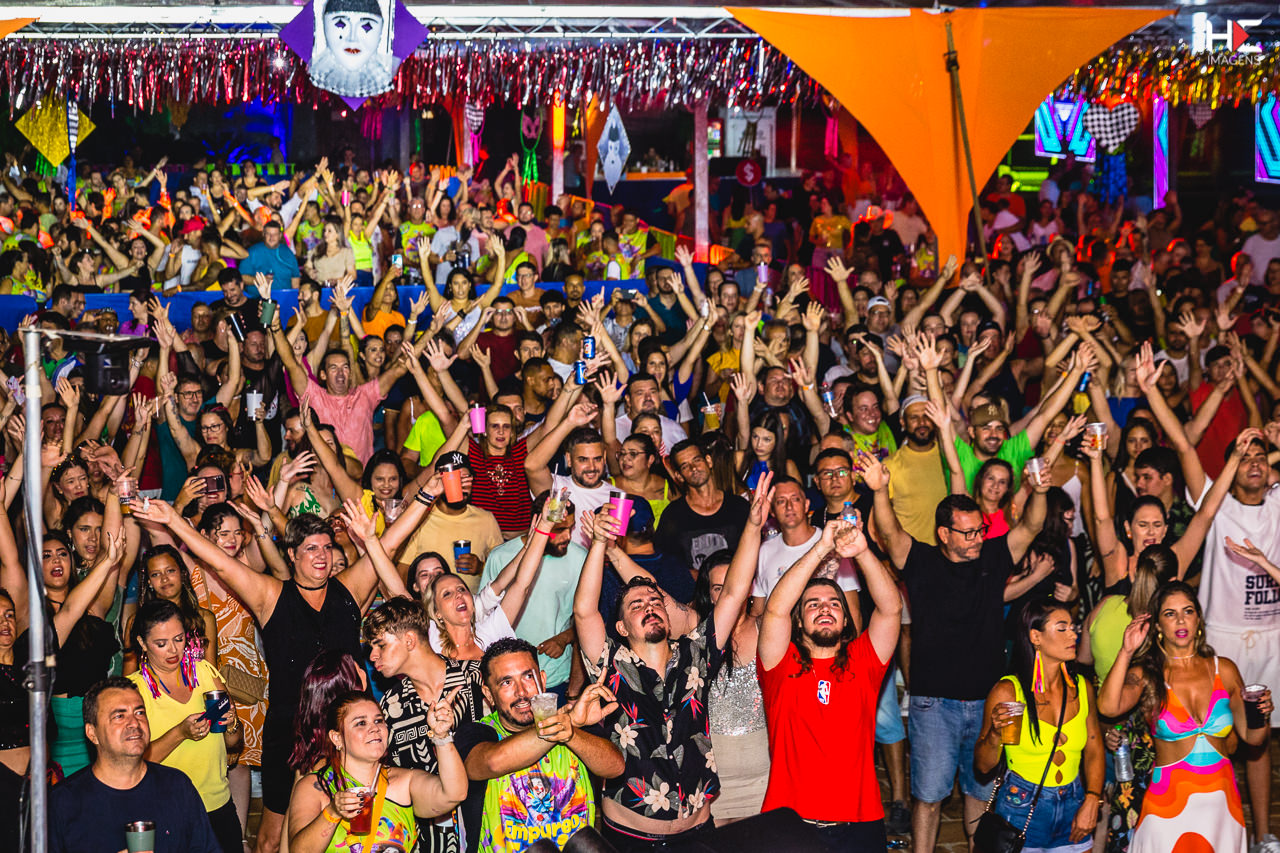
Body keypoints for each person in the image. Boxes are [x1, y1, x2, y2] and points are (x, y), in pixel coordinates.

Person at [864, 449, 1055, 853]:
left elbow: (1032, 525)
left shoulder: (994, 555)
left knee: (979, 794)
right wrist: (880, 491)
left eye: (980, 530)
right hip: (935, 703)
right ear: (944, 534)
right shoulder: (921, 561)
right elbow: (890, 532)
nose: (977, 539)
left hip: (987, 700)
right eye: (968, 533)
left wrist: (1039, 491)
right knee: (929, 796)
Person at [571, 475, 770, 851]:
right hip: (634, 838)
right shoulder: (610, 663)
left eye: (655, 601)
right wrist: (599, 543)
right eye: (636, 604)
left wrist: (754, 526)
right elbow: (584, 612)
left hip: (699, 832)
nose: (649, 606)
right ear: (621, 627)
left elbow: (733, 593)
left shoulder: (696, 652)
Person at [756, 509, 902, 848]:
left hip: (859, 822)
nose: (825, 608)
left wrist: (862, 552)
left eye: (835, 603)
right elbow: (775, 609)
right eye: (812, 605)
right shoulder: (780, 664)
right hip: (791, 824)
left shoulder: (864, 661)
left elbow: (891, 609)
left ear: (847, 619)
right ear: (798, 621)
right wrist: (821, 547)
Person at [1098, 583, 1274, 853]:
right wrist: (1126, 651)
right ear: (1158, 625)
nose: (1180, 620)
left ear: (1198, 619)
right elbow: (1108, 707)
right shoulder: (1147, 675)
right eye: (1170, 614)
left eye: (1187, 611)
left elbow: (1254, 738)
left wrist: (1261, 713)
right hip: (1167, 808)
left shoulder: (1224, 670)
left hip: (1222, 806)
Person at [455, 637, 625, 851]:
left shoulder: (572, 725)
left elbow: (615, 767)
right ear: (488, 693)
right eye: (506, 682)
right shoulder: (476, 732)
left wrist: (571, 732)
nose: (521, 692)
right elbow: (492, 763)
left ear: (542, 680)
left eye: (528, 677)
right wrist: (566, 723)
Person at [976, 600, 1105, 853]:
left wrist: (1092, 798)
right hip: (1021, 805)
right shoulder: (1008, 691)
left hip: (1073, 803)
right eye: (1062, 628)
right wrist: (994, 734)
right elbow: (983, 766)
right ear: (1036, 637)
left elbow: (1094, 749)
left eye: (1073, 628)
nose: (1073, 635)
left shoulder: (1082, 688)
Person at [364, 597, 485, 852]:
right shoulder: (390, 706)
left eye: (380, 645)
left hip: (487, 833)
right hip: (427, 842)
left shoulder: (476, 677)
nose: (373, 655)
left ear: (409, 640)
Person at [49, 677, 222, 853]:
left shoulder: (176, 785)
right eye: (119, 716)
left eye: (139, 713)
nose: (134, 723)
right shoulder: (64, 802)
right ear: (92, 733)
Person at [126, 600, 244, 853]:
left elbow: (233, 744)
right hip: (168, 811)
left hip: (217, 803)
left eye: (179, 639)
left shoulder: (204, 672)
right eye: (161, 643)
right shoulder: (134, 691)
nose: (173, 650)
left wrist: (232, 724)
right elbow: (132, 763)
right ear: (142, 643)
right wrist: (180, 733)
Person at [287, 690, 468, 852]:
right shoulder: (316, 787)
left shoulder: (404, 781)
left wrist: (441, 736)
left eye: (378, 721)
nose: (374, 728)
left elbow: (454, 793)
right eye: (361, 723)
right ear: (337, 738)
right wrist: (333, 812)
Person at [654, 439, 750, 573]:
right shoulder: (673, 515)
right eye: (685, 466)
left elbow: (753, 552)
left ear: (709, 461)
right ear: (679, 476)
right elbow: (665, 562)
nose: (693, 468)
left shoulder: (739, 507)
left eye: (697, 460)